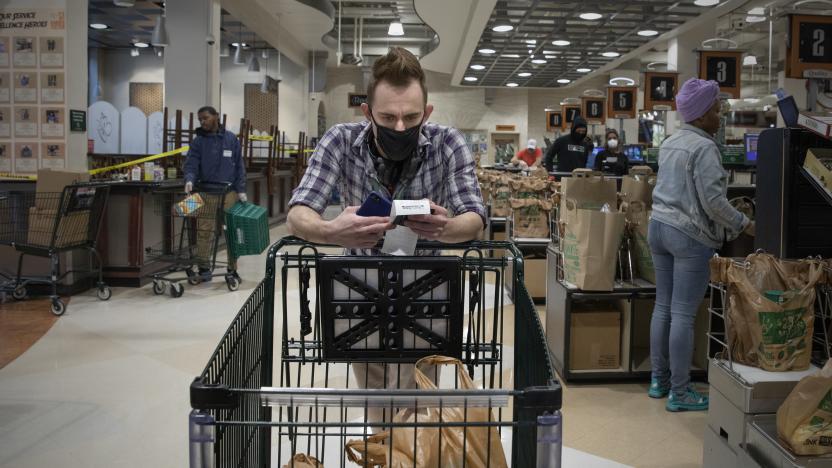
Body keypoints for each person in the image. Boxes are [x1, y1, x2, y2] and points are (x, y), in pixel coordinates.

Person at [286, 47, 485, 411]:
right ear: (367, 112)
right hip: (358, 294)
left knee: (418, 404)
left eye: (411, 117)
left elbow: (474, 217)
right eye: (387, 116)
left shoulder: (448, 143)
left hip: (426, 294)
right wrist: (333, 232)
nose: (399, 127)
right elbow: (298, 213)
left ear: (426, 112)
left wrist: (445, 227)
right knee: (377, 402)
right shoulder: (340, 141)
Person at [648, 79, 754, 412]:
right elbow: (713, 202)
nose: (719, 116)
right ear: (701, 113)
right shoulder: (704, 147)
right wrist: (743, 223)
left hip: (658, 228)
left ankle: (658, 381)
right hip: (688, 235)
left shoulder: (670, 142)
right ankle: (680, 392)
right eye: (716, 109)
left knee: (662, 307)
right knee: (682, 313)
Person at [183, 105, 247, 282]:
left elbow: (239, 166)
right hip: (206, 192)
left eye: (205, 118)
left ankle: (232, 269)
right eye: (200, 119)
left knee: (232, 232)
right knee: (204, 231)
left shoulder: (231, 139)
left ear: (216, 117)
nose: (202, 122)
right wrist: (189, 179)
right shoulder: (198, 142)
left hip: (229, 192)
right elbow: (191, 163)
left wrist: (241, 189)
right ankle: (204, 268)